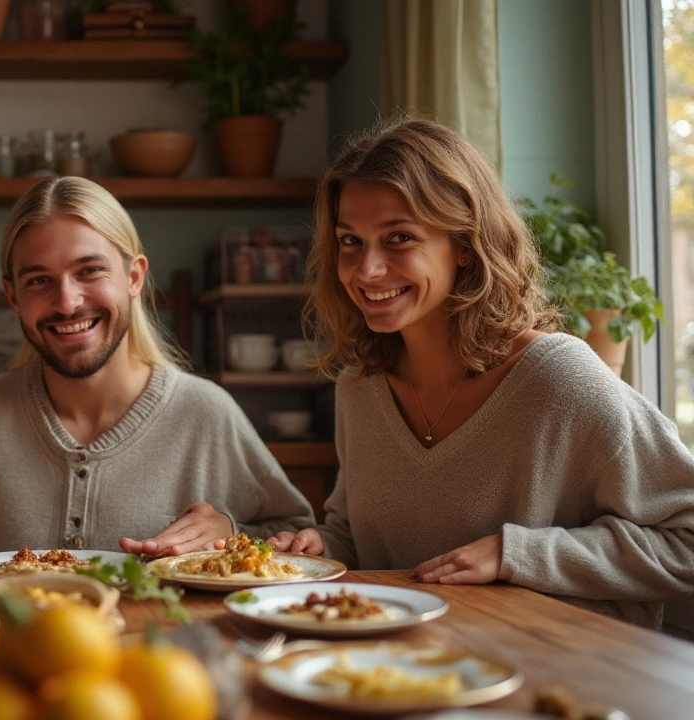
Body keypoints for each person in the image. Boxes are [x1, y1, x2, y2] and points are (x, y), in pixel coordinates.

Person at [270, 118, 694, 628]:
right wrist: (321, 546)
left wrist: (517, 555)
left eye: (399, 238)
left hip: (564, 680)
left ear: (465, 244)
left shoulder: (559, 379)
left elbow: (686, 541)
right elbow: (361, 538)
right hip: (417, 673)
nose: (366, 270)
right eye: (350, 241)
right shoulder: (358, 388)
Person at [0, 177, 315, 555]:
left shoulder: (206, 414)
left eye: (89, 271)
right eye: (39, 280)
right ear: (13, 297)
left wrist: (230, 530)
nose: (67, 303)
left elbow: (298, 534)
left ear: (134, 277)